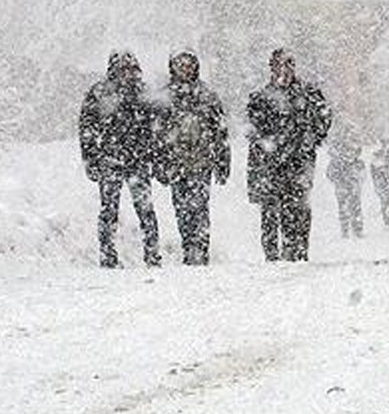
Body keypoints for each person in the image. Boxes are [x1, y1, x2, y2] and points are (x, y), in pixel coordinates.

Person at [246, 48, 333, 262]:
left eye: (287, 66)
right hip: (270, 162)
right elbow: (253, 130)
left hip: (299, 161)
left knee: (298, 207)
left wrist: (310, 139)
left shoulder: (309, 94)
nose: (283, 71)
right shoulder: (261, 97)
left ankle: (298, 250)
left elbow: (324, 117)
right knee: (269, 209)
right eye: (278, 66)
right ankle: (272, 254)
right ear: (271, 69)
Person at [79, 50, 161, 268]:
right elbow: (87, 128)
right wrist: (90, 158)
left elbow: (156, 128)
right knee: (109, 210)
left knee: (145, 209)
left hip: (137, 160)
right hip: (110, 159)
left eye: (130, 67)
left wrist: (154, 155)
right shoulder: (99, 93)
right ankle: (107, 255)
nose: (127, 72)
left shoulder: (143, 93)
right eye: (123, 67)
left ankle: (152, 254)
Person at [155, 50, 231, 265]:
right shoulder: (165, 97)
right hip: (175, 163)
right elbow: (157, 134)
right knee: (181, 209)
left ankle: (201, 248)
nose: (185, 69)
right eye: (180, 65)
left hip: (201, 163)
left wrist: (223, 161)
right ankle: (188, 247)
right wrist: (159, 162)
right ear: (173, 67)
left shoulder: (207, 95)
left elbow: (220, 131)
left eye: (189, 65)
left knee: (199, 207)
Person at [326, 131, 365, 238]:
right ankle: (352, 229)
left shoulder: (339, 161)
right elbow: (330, 174)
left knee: (349, 208)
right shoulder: (340, 161)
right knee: (351, 208)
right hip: (346, 187)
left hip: (347, 187)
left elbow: (330, 174)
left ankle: (351, 229)